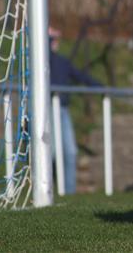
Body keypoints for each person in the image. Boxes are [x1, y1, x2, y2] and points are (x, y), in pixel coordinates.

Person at [48, 27, 102, 195]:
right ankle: (44, 190)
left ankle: (69, 194)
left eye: (57, 39)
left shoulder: (62, 62)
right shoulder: (40, 60)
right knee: (52, 153)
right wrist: (48, 38)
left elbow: (81, 76)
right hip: (47, 110)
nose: (57, 41)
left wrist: (102, 87)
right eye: (53, 39)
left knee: (70, 151)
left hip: (62, 110)